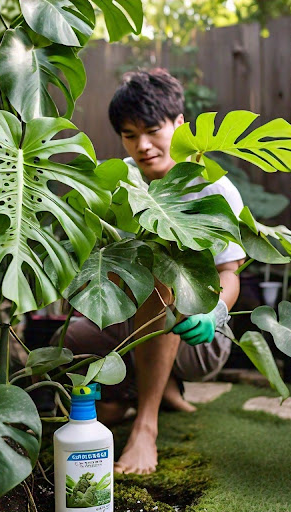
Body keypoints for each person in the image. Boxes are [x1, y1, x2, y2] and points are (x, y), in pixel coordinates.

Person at [56, 69, 246, 475]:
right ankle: (156, 391)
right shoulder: (118, 181)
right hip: (137, 324)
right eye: (129, 134)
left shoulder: (211, 187)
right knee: (74, 335)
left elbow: (231, 273)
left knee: (162, 275)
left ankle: (146, 425)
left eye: (152, 130)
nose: (142, 146)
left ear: (180, 124)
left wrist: (214, 313)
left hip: (197, 336)